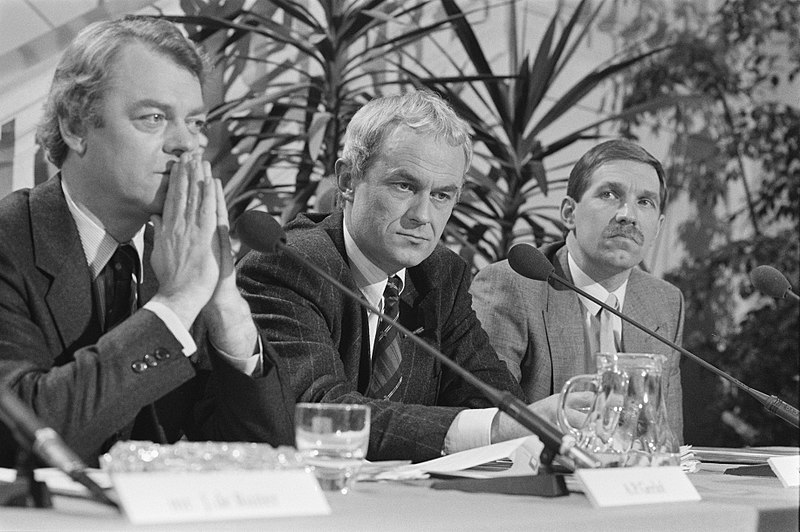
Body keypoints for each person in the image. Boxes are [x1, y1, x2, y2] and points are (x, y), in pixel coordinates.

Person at [0, 16, 293, 468]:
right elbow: (22, 436)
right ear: (76, 126)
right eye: (153, 118)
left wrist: (227, 312)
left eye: (195, 122)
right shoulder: (9, 241)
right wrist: (175, 305)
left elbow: (262, 457)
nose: (186, 144)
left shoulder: (183, 255)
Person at [237, 90, 576, 463]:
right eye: (405, 186)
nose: (423, 215)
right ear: (348, 180)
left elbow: (486, 391)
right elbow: (322, 411)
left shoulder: (439, 274)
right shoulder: (291, 266)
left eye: (443, 195)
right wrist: (496, 429)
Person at [470, 139, 684, 442]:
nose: (628, 214)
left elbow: (668, 440)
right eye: (610, 194)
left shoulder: (664, 301)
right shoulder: (513, 285)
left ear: (659, 226)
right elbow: (490, 426)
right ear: (569, 212)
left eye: (645, 202)